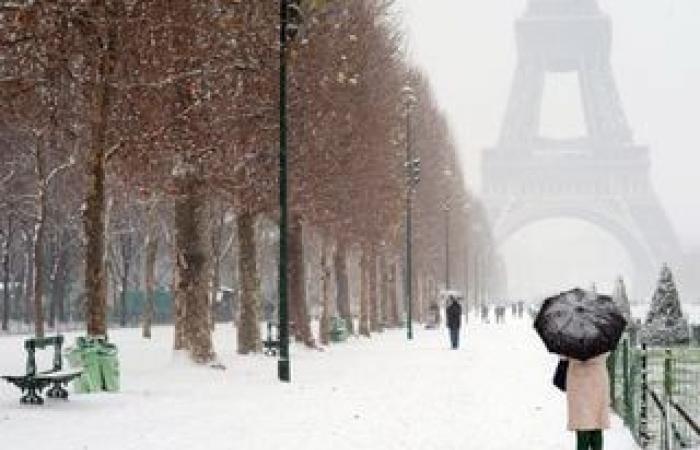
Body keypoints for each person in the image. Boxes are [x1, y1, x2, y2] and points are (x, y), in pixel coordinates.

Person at [564, 354, 610, 450]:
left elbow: (563, 356)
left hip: (577, 380)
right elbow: (607, 353)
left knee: (582, 424)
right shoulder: (601, 341)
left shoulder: (571, 341)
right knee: (597, 423)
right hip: (597, 379)